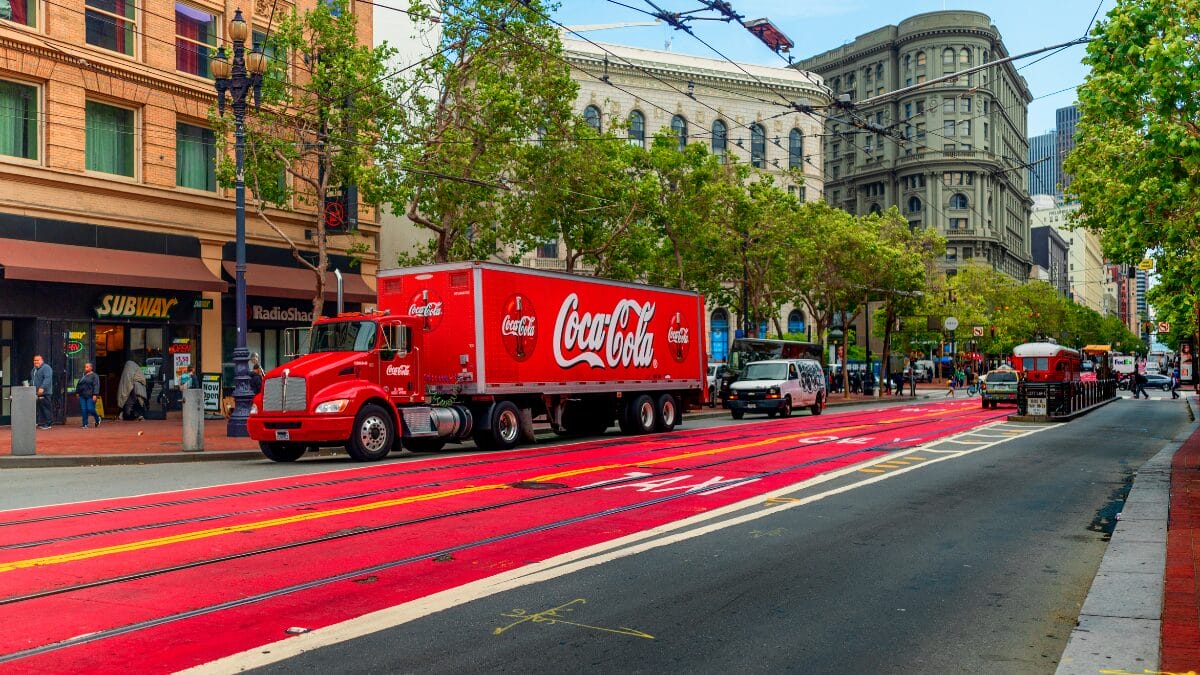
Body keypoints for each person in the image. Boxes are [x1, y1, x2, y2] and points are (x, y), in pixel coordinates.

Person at [31, 354, 53, 429]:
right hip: (35, 392)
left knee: (46, 408)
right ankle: (41, 422)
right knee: (39, 408)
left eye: (37, 360)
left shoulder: (46, 368)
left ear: (42, 360)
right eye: (34, 360)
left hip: (45, 392)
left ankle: (48, 424)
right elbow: (33, 380)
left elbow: (47, 379)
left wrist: (42, 387)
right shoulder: (34, 369)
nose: (36, 362)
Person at [76, 362, 101, 428]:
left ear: (91, 368)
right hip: (82, 395)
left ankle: (97, 418)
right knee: (84, 409)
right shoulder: (83, 375)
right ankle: (85, 424)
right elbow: (79, 384)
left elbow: (96, 385)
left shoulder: (94, 376)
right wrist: (77, 392)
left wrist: (95, 394)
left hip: (90, 395)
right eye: (85, 367)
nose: (85, 368)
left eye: (87, 367)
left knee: (90, 409)